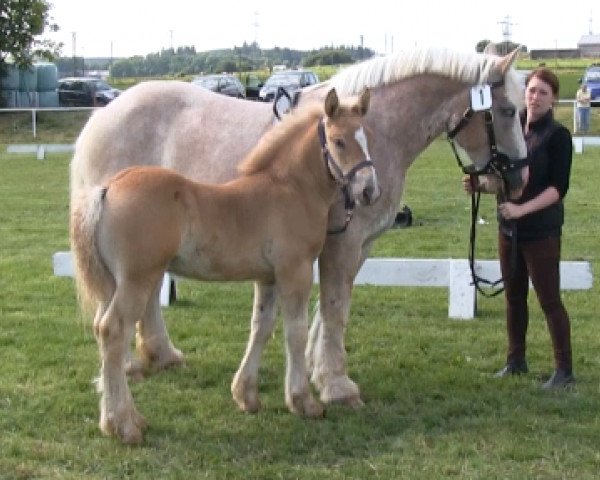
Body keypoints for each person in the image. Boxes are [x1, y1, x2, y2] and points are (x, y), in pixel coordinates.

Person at [463, 67, 574, 389]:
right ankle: (516, 360)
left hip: (541, 230)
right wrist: (480, 186)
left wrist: (522, 209)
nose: (535, 97)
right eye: (532, 90)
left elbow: (557, 188)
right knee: (514, 297)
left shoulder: (557, 136)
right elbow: (506, 181)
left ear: (553, 100)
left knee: (549, 300)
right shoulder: (513, 132)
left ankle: (564, 369)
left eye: (543, 92)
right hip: (509, 229)